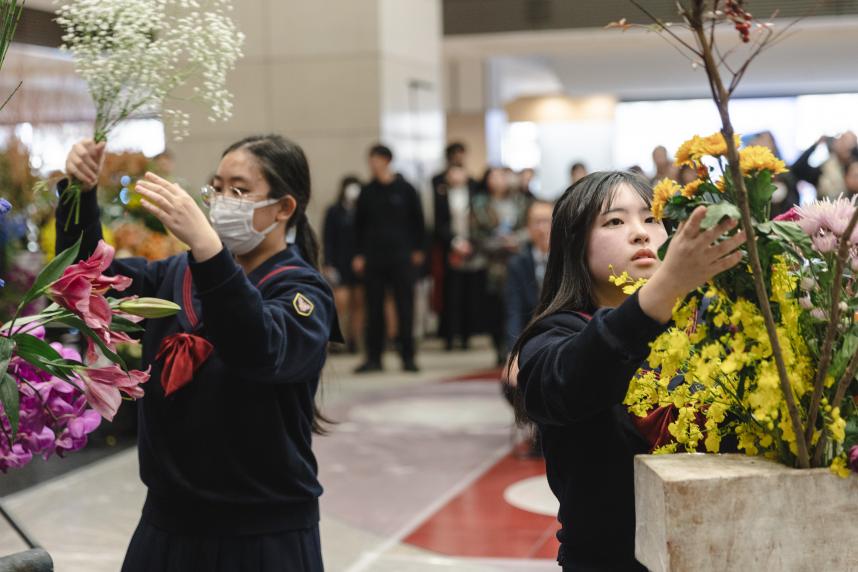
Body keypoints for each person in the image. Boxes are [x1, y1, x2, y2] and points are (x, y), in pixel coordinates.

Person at [59, 134, 339, 572]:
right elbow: (88, 284)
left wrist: (209, 250)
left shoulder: (302, 292)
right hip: (167, 525)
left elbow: (258, 347)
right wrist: (80, 193)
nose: (223, 202)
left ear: (284, 207)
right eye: (217, 187)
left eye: (240, 191)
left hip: (263, 535)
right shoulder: (177, 274)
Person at [508, 171, 745, 571]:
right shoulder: (554, 336)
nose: (640, 233)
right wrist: (664, 288)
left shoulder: (710, 323)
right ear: (574, 244)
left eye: (651, 218)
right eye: (615, 221)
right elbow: (570, 379)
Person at [353, 144, 425, 373]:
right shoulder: (367, 191)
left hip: (402, 257)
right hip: (374, 258)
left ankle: (408, 356)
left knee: (405, 307)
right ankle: (373, 358)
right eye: (370, 160)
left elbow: (418, 221)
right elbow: (359, 226)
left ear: (387, 161)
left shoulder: (405, 189)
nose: (373, 164)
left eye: (376, 159)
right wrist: (359, 254)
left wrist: (418, 249)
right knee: (374, 308)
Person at [471, 166, 528, 365]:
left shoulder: (520, 202)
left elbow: (528, 228)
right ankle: (499, 348)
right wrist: (500, 243)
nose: (498, 180)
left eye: (501, 176)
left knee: (517, 305)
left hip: (517, 259)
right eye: (493, 176)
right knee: (495, 308)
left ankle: (517, 346)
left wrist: (515, 240)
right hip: (492, 264)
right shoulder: (480, 204)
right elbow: (476, 235)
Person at [323, 175, 363, 353]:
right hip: (339, 261)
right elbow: (328, 238)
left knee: (359, 302)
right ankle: (337, 340)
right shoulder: (334, 211)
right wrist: (328, 263)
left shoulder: (363, 211)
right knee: (341, 301)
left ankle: (355, 339)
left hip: (359, 263)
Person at [746, 131, 799, 218]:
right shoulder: (750, 176)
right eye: (758, 140)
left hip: (786, 220)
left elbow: (793, 201)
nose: (759, 144)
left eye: (763, 140)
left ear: (772, 144)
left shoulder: (783, 171)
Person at [792, 131, 858, 199]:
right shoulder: (824, 169)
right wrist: (816, 145)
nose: (845, 144)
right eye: (842, 139)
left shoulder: (854, 167)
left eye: (849, 141)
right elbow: (797, 169)